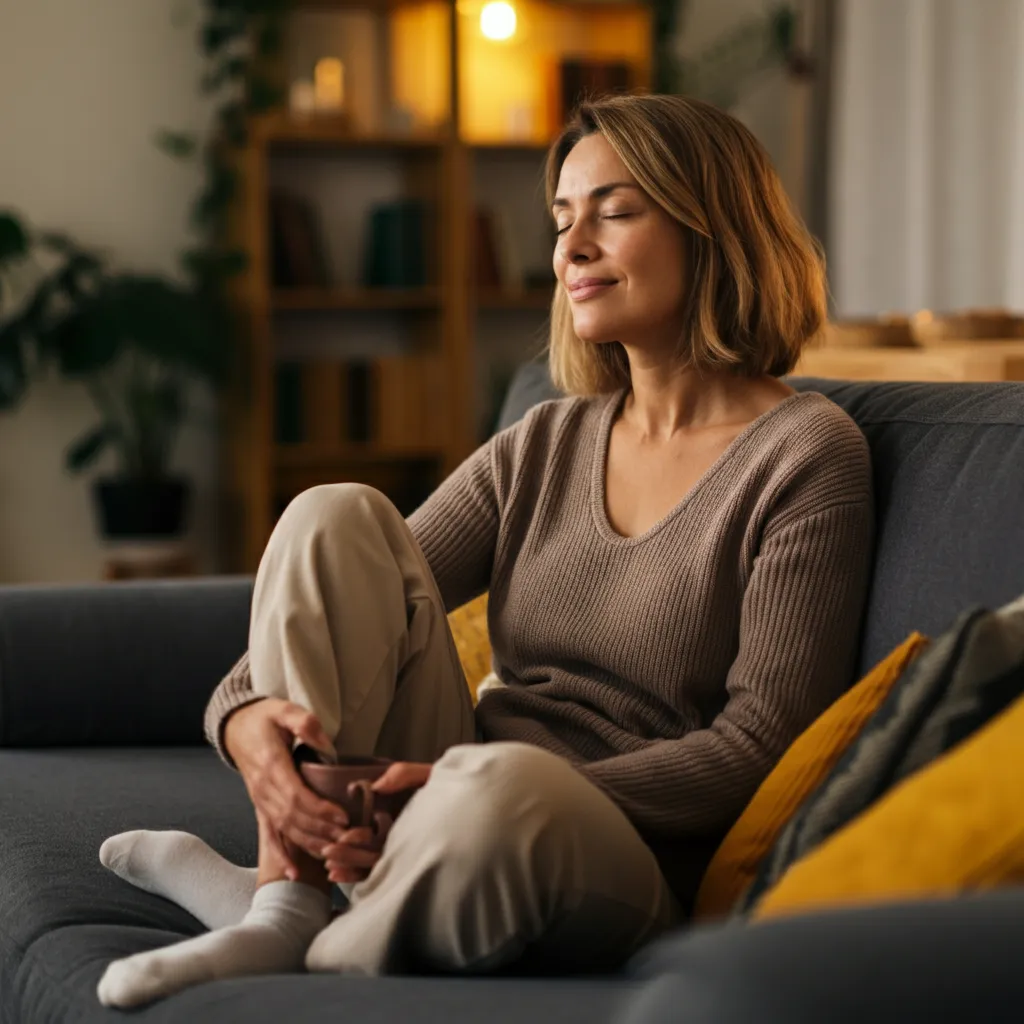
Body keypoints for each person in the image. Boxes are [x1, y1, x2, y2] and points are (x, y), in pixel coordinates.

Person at [96, 93, 874, 1008]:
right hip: (452, 786)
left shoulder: (806, 454)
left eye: (615, 213)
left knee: (504, 792)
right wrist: (248, 730)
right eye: (561, 219)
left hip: (600, 845)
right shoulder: (546, 441)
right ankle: (285, 898)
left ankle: (280, 925)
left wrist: (452, 792)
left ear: (718, 232)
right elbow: (335, 605)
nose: (571, 248)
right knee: (332, 512)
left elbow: (759, 747)